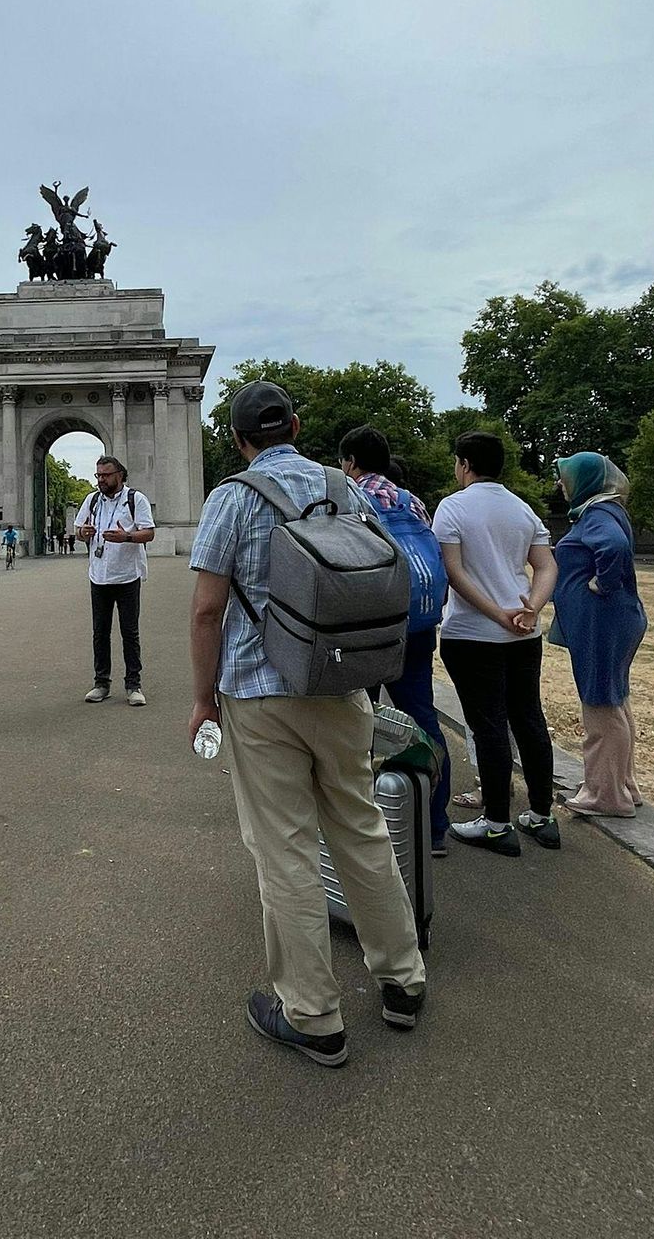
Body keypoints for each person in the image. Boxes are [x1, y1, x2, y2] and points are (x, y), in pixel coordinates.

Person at [190, 382, 426, 1066]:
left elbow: (207, 611)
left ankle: (314, 1015)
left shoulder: (231, 497)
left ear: (237, 439)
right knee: (361, 829)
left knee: (285, 850)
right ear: (295, 425)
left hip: (258, 694)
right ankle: (403, 981)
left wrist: (202, 700)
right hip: (342, 684)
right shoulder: (343, 488)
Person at [433, 431, 559, 856]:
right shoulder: (523, 509)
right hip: (524, 634)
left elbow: (452, 571)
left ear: (464, 464)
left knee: (488, 725)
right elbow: (545, 567)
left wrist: (492, 613)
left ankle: (496, 822)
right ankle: (542, 815)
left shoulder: (452, 507)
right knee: (528, 719)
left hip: (472, 635)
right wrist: (531, 609)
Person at [338, 425, 451, 858]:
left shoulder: (349, 497)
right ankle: (434, 825)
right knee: (422, 717)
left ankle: (363, 820)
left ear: (350, 461)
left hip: (368, 628)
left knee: (355, 720)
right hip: (417, 624)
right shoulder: (411, 500)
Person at [551, 452, 647, 818]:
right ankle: (623, 785)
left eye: (566, 477)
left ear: (586, 480)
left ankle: (605, 795)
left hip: (601, 623)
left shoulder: (596, 514)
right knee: (615, 700)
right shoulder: (607, 510)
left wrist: (601, 582)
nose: (561, 484)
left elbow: (614, 547)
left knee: (600, 706)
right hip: (614, 621)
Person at [75, 455, 155, 707]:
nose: (101, 480)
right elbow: (78, 531)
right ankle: (101, 683)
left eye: (105, 475)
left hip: (127, 575)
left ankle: (133, 685)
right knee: (100, 632)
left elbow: (149, 532)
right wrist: (83, 533)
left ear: (120, 474)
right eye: (98, 475)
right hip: (99, 575)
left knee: (129, 632)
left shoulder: (135, 499)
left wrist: (126, 537)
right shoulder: (92, 500)